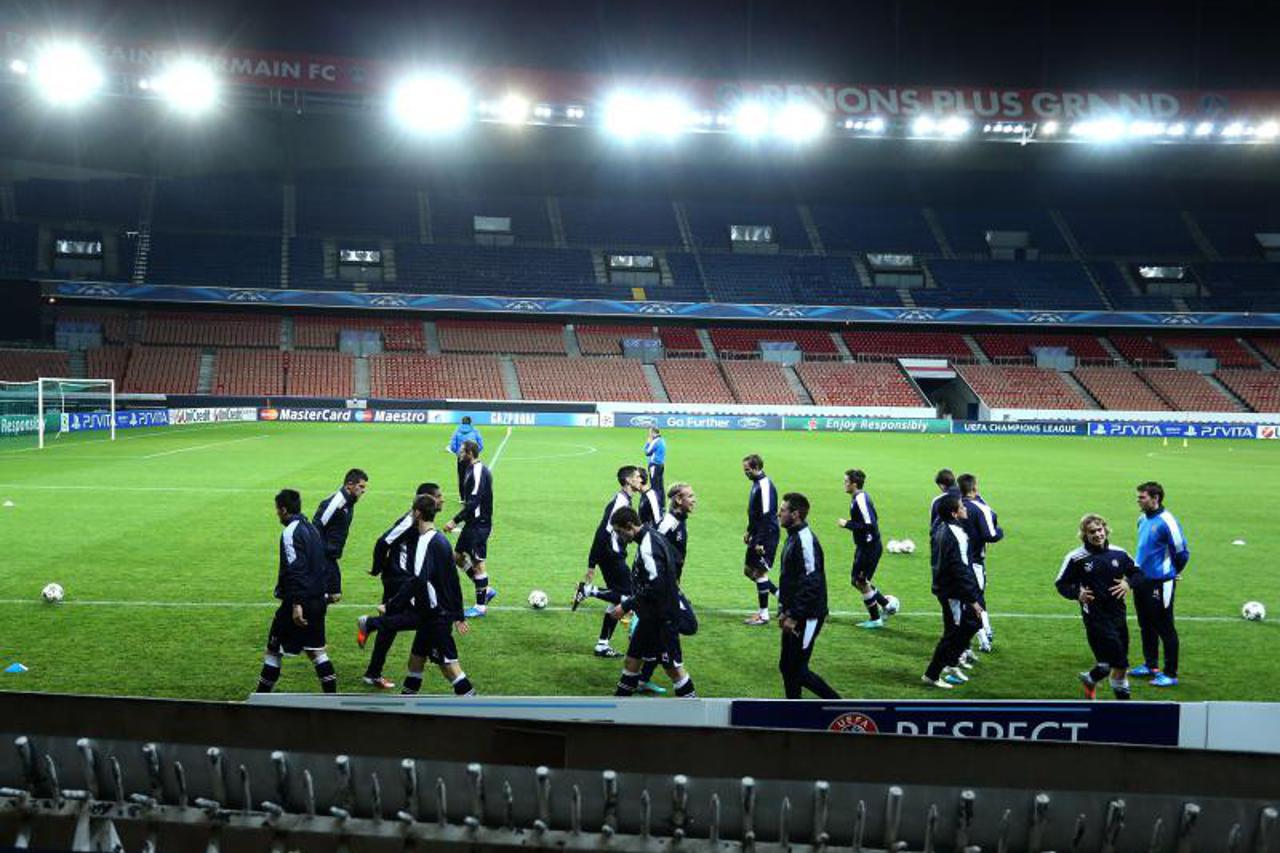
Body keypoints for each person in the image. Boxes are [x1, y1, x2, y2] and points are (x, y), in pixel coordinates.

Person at [357, 494, 475, 697]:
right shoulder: (441, 541)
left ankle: (476, 709)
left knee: (451, 669)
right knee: (415, 662)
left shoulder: (425, 542)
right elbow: (453, 581)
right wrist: (459, 614)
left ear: (417, 513)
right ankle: (407, 705)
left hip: (437, 616)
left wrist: (392, 605)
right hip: (432, 614)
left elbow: (417, 580)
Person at [607, 507, 698, 699]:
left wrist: (626, 605)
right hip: (649, 617)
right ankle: (617, 708)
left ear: (629, 526)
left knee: (674, 669)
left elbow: (655, 585)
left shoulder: (648, 544)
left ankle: (694, 711)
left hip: (661, 619)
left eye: (618, 531)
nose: (618, 536)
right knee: (632, 662)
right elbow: (675, 559)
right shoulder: (652, 537)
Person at [362, 482, 444, 689]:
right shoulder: (409, 521)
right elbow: (383, 542)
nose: (442, 499)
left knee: (391, 625)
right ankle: (369, 624)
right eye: (438, 496)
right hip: (400, 580)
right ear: (426, 500)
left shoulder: (421, 522)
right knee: (424, 616)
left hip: (405, 579)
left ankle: (373, 672)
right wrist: (377, 569)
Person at [256, 489, 336, 694]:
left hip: (300, 601)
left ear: (283, 510)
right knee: (317, 652)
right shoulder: (311, 528)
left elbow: (295, 569)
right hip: (319, 599)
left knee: (273, 652)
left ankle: (259, 699)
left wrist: (296, 604)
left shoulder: (290, 532)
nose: (277, 514)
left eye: (277, 510)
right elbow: (322, 563)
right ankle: (332, 699)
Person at [1055, 514, 1142, 700]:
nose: (1097, 534)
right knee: (1120, 662)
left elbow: (1138, 573)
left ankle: (1090, 679)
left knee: (1106, 665)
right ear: (1084, 535)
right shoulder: (1076, 558)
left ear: (1106, 529)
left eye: (1100, 530)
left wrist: (1128, 583)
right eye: (1092, 532)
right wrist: (1077, 593)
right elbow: (1061, 584)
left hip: (1118, 615)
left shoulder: (1120, 553)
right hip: (1095, 617)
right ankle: (1124, 708)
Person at [573, 465, 645, 657]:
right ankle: (589, 590)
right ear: (628, 480)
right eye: (638, 477)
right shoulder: (620, 501)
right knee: (628, 596)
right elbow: (602, 531)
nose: (641, 480)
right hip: (611, 555)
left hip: (613, 554)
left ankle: (602, 645)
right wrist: (592, 563)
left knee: (617, 599)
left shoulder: (625, 500)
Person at [635, 482, 699, 695]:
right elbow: (649, 549)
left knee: (660, 632)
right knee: (688, 625)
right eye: (689, 496)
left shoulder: (680, 520)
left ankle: (642, 677)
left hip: (670, 586)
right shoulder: (668, 523)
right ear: (679, 500)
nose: (694, 499)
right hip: (663, 590)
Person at [776, 493, 841, 699]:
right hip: (795, 612)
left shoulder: (805, 540)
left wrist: (794, 615)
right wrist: (783, 610)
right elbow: (791, 580)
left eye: (783, 510)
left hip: (807, 615)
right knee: (787, 667)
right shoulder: (794, 536)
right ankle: (793, 713)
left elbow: (811, 581)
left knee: (797, 669)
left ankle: (841, 706)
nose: (779, 513)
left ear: (795, 514)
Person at [1131, 481, 1190, 687]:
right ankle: (1151, 665)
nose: (1138, 500)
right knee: (1145, 624)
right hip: (1140, 580)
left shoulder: (1168, 522)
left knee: (1165, 627)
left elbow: (1182, 552)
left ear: (1155, 498)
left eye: (1142, 497)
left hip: (1160, 582)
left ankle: (1170, 673)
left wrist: (1173, 573)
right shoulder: (1142, 519)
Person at [922, 494, 983, 689]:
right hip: (953, 592)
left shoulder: (941, 528)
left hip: (948, 588)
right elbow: (960, 568)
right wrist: (973, 599)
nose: (965, 509)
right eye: (961, 507)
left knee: (971, 624)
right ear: (954, 513)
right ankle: (933, 674)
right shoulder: (955, 534)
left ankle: (950, 663)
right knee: (953, 632)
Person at [443, 440, 496, 618]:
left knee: (478, 563)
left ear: (470, 453)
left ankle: (481, 607)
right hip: (472, 523)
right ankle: (485, 589)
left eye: (462, 451)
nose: (459, 453)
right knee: (457, 556)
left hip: (479, 524)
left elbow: (474, 502)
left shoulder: (479, 470)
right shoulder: (469, 469)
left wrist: (455, 520)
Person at [837, 468, 893, 629]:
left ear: (854, 484)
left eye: (846, 481)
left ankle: (876, 619)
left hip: (870, 547)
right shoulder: (857, 497)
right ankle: (886, 605)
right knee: (858, 581)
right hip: (864, 546)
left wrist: (847, 524)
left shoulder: (860, 499)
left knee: (860, 581)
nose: (844, 484)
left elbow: (870, 524)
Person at [958, 473, 1003, 652]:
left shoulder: (955, 506)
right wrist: (1001, 531)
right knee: (976, 599)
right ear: (975, 487)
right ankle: (984, 636)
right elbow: (990, 535)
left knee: (963, 600)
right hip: (975, 561)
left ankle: (982, 632)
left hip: (955, 562)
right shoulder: (979, 508)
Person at [313, 468, 369, 606]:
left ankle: (310, 610)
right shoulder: (336, 503)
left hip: (331, 555)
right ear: (349, 485)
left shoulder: (349, 501)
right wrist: (318, 554)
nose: (363, 490)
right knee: (332, 595)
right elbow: (316, 527)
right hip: (323, 556)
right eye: (361, 486)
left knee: (333, 595)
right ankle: (306, 610)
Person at [742, 454, 780, 626]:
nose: (745, 473)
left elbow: (766, 515)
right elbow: (755, 513)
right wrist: (749, 530)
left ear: (756, 467)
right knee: (749, 571)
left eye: (747, 470)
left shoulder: (764, 485)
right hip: (758, 532)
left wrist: (760, 541)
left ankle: (764, 615)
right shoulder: (757, 483)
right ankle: (783, 598)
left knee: (759, 572)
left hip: (767, 534)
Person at [448, 417, 484, 500]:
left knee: (461, 477)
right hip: (472, 458)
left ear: (462, 422)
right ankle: (472, 496)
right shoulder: (475, 432)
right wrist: (475, 454)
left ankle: (462, 498)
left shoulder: (457, 432)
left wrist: (458, 453)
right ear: (470, 422)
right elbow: (480, 445)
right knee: (473, 476)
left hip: (461, 458)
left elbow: (452, 446)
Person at [643, 427, 666, 500]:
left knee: (654, 486)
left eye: (650, 433)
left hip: (654, 465)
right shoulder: (662, 440)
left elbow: (647, 452)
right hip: (661, 465)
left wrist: (647, 443)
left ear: (653, 433)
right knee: (660, 486)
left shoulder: (655, 441)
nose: (649, 435)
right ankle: (662, 504)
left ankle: (656, 504)